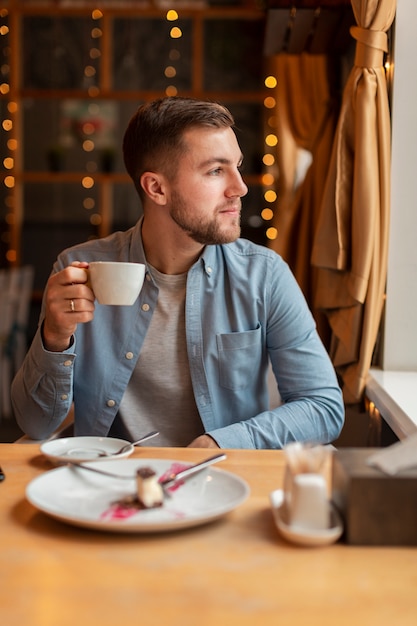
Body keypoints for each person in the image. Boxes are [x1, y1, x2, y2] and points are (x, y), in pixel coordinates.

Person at [11, 96, 344, 448]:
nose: (240, 188)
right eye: (216, 171)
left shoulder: (264, 274)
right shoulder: (80, 270)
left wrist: (223, 442)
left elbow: (323, 407)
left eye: (237, 166)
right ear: (157, 188)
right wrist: (55, 336)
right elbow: (35, 424)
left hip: (220, 479)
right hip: (110, 482)